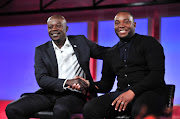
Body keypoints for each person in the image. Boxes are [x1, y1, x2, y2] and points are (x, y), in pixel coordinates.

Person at [5, 15, 108, 119]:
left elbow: (106, 53)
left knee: (60, 110)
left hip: (74, 95)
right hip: (48, 94)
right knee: (12, 109)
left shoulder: (81, 42)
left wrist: (124, 46)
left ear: (66, 28)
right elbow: (41, 79)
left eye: (58, 26)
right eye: (50, 27)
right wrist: (68, 82)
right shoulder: (41, 50)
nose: (54, 29)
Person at [83, 11, 167, 119]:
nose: (121, 25)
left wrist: (132, 92)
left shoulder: (150, 43)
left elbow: (157, 75)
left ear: (134, 25)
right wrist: (88, 85)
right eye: (117, 23)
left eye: (126, 22)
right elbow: (106, 84)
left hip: (150, 93)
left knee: (139, 109)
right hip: (123, 94)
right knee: (90, 108)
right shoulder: (110, 53)